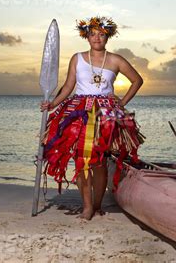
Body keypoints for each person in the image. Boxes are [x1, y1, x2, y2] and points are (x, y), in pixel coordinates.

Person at [39, 16, 145, 220]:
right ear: (86, 36)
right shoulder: (77, 58)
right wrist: (52, 104)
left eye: (101, 34)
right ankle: (87, 206)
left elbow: (137, 80)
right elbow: (68, 87)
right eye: (93, 34)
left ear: (108, 36)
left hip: (105, 114)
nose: (97, 38)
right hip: (79, 112)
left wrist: (121, 104)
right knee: (82, 158)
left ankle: (97, 204)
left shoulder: (116, 60)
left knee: (100, 162)